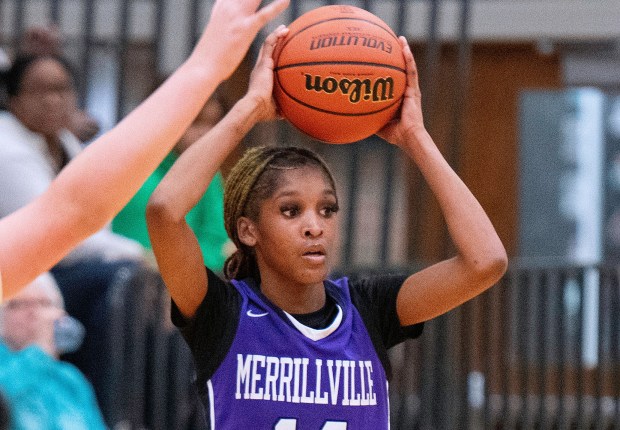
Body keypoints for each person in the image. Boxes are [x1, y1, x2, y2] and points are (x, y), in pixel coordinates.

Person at [145, 27, 508, 429]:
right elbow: (164, 211)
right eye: (291, 211)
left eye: (327, 210)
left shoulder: (368, 309)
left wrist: (415, 138)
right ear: (249, 231)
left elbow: (485, 262)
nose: (314, 226)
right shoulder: (223, 314)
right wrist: (249, 107)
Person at [0, 0, 290, 301]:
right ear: (14, 99)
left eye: (61, 90)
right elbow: (72, 214)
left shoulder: (65, 142)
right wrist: (209, 69)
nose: (53, 101)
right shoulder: (12, 150)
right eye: (196, 122)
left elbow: (217, 239)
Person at [112, 90, 232, 273]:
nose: (205, 133)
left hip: (186, 278)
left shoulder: (207, 171)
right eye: (195, 123)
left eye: (214, 124)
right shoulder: (129, 167)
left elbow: (218, 242)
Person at [0, 273, 106, 430]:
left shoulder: (69, 378)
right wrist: (39, 351)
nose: (34, 313)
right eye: (19, 304)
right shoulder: (6, 371)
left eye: (45, 303)